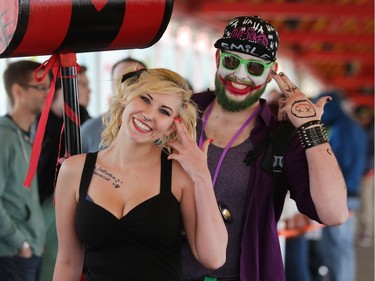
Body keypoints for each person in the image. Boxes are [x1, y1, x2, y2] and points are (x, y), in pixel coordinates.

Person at [181, 16, 349, 281]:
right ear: (217, 58)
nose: (240, 75)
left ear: (272, 72)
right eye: (232, 61)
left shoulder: (280, 136)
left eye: (255, 67)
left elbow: (335, 213)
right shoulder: (180, 113)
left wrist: (310, 127)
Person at [52, 68, 228, 281]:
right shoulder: (74, 170)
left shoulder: (179, 175)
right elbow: (68, 261)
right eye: (145, 99)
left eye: (164, 111)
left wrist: (201, 175)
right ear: (126, 98)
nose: (149, 114)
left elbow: (214, 258)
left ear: (172, 127)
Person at [37, 66, 93, 281]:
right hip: (44, 203)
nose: (89, 90)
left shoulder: (86, 122)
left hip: (76, 202)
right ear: (61, 90)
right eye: (83, 85)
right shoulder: (40, 123)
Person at [310, 91, 367, 281]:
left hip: (341, 194)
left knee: (336, 246)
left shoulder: (341, 128)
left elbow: (333, 161)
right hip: (352, 191)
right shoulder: (354, 127)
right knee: (343, 246)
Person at [0, 60, 49, 281]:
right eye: (40, 88)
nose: (47, 94)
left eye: (49, 88)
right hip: (13, 253)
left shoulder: (28, 135)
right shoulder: (4, 137)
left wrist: (35, 240)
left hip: (28, 249)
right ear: (18, 90)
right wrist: (21, 242)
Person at [81, 57, 146, 153]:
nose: (128, 86)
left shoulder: (156, 130)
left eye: (135, 80)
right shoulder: (88, 131)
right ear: (111, 85)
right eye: (122, 80)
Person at [354, 105, 374, 247]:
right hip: (359, 170)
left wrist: (371, 168)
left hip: (368, 171)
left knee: (366, 201)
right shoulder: (360, 129)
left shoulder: (371, 131)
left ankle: (367, 231)